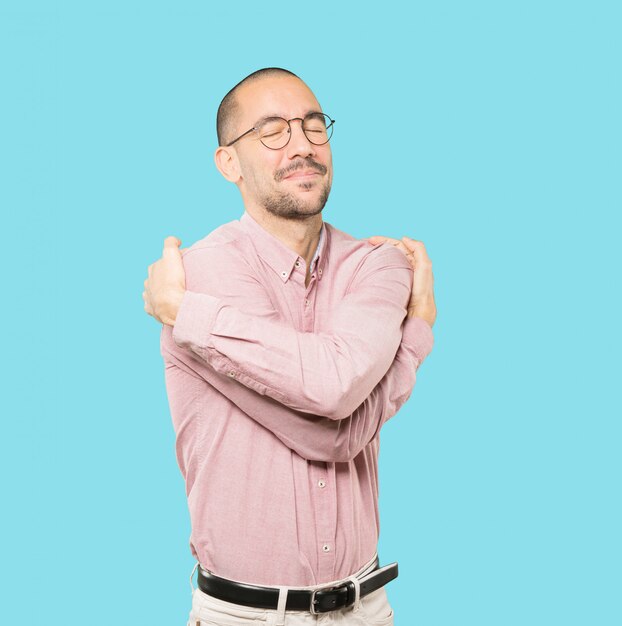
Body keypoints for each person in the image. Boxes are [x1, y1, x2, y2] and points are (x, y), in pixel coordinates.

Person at [143, 67, 436, 625]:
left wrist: (189, 317)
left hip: (365, 610)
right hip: (242, 616)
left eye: (312, 126)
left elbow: (334, 390)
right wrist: (415, 335)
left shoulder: (378, 263)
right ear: (228, 162)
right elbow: (333, 420)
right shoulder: (197, 277)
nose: (301, 145)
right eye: (272, 130)